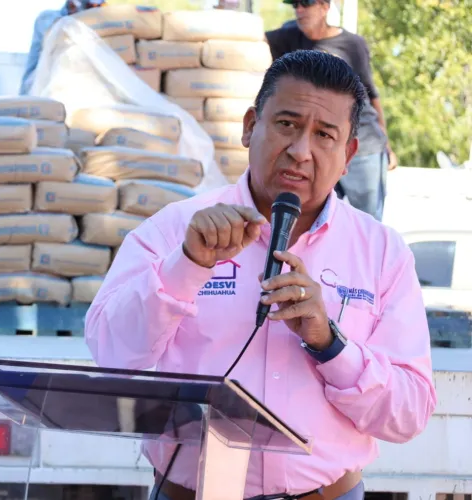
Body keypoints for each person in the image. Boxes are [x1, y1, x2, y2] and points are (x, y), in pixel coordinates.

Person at [84, 50, 436, 500]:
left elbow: (409, 414)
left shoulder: (382, 252)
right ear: (251, 126)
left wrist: (330, 344)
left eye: (324, 135)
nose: (300, 151)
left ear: (348, 153)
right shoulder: (176, 229)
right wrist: (186, 265)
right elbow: (111, 352)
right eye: (287, 124)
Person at [265, 0, 396, 221]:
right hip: (319, 147)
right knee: (316, 219)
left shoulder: (352, 44)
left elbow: (372, 94)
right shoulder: (288, 36)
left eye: (306, 3)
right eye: (295, 4)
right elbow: (248, 39)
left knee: (367, 220)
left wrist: (387, 145)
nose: (299, 9)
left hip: (363, 146)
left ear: (325, 7)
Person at [19, 0, 105, 95]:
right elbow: (31, 68)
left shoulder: (106, 28)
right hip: (50, 93)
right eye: (91, 5)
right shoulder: (48, 19)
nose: (96, 7)